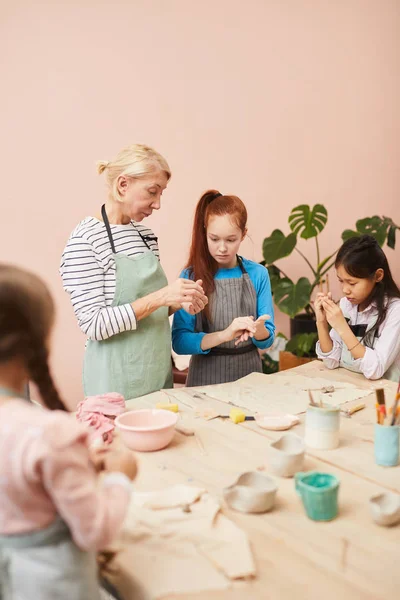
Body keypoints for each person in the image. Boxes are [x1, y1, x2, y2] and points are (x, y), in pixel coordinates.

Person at [0, 264, 137, 599]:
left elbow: (22, 491)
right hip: (55, 586)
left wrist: (77, 461)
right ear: (40, 341)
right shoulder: (50, 434)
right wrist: (121, 476)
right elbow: (96, 532)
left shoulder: (43, 437)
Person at [60, 144, 207, 400]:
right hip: (112, 383)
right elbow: (94, 324)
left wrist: (179, 301)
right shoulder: (85, 241)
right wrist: (162, 297)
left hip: (156, 373)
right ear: (122, 185)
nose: (158, 204)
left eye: (161, 193)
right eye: (152, 192)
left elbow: (150, 310)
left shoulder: (145, 236)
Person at [172, 190, 275, 386]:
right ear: (205, 232)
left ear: (243, 235)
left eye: (230, 240)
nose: (222, 248)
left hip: (249, 377)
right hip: (204, 379)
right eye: (214, 239)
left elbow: (267, 339)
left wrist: (259, 330)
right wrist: (224, 335)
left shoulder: (258, 274)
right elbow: (180, 342)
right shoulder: (190, 277)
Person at [315, 235, 400, 381]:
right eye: (341, 281)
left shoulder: (395, 310)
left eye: (352, 283)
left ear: (378, 276)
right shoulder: (346, 304)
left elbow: (376, 369)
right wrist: (321, 323)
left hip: (386, 397)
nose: (345, 290)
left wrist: (342, 326)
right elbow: (331, 361)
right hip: (352, 387)